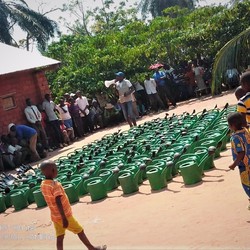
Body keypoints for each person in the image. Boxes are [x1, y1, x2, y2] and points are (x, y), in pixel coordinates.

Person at [40, 160, 107, 250]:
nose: (57, 170)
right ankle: (91, 248)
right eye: (56, 168)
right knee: (80, 231)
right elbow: (58, 201)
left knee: (60, 237)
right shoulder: (55, 185)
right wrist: (64, 218)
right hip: (65, 216)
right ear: (53, 170)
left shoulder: (43, 184)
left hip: (55, 216)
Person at [227, 112, 250, 209]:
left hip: (244, 166)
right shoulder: (245, 130)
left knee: (247, 184)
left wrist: (234, 164)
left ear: (232, 125)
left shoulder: (235, 138)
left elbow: (241, 153)